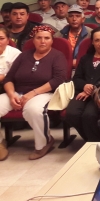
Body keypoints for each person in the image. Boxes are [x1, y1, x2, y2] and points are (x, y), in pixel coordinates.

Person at [0, 25, 68, 160]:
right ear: (33, 40)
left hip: (45, 93)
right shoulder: (23, 56)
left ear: (52, 40)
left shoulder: (57, 56)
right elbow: (9, 78)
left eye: (46, 38)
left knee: (33, 110)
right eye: (39, 38)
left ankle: (44, 142)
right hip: (17, 92)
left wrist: (32, 93)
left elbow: (59, 79)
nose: (42, 41)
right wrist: (11, 95)